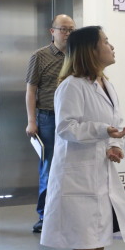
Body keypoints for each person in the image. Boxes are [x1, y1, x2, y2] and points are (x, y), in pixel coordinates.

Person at [40, 26, 125, 250]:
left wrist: (114, 145)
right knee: (83, 247)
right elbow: (66, 128)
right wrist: (103, 131)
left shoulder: (106, 84)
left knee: (99, 245)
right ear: (90, 50)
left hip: (101, 174)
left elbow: (114, 124)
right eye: (105, 42)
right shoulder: (71, 86)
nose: (111, 46)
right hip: (77, 178)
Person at [26, 14, 76, 233]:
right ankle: (44, 216)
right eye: (63, 29)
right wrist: (31, 121)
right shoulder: (39, 56)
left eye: (71, 30)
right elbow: (31, 90)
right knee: (49, 167)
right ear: (52, 31)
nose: (67, 34)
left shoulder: (78, 56)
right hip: (47, 118)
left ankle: (68, 214)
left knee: (71, 167)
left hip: (73, 118)